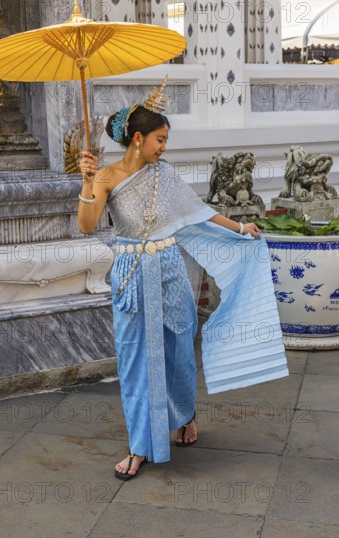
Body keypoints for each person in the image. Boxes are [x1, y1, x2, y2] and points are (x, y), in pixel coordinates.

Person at [77, 78, 288, 481]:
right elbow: (87, 227)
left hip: (170, 271)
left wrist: (239, 227)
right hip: (131, 275)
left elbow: (198, 212)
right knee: (136, 358)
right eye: (160, 138)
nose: (164, 146)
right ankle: (140, 445)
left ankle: (186, 416)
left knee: (178, 350)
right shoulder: (104, 177)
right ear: (137, 138)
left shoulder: (166, 175)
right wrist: (86, 182)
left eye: (167, 139)